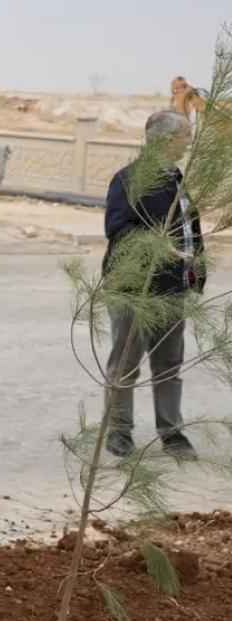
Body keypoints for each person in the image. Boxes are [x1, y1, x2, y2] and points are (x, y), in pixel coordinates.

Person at [103, 111, 202, 462]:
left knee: (170, 366)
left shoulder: (177, 178)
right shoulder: (128, 180)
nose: (188, 141)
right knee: (125, 364)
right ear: (163, 139)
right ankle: (119, 432)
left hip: (172, 290)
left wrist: (196, 270)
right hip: (135, 289)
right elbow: (118, 228)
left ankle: (172, 433)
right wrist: (158, 246)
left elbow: (191, 229)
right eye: (184, 135)